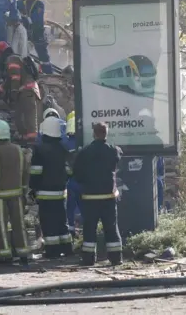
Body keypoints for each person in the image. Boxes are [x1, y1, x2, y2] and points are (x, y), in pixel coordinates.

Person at [73, 122, 123, 266]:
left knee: (89, 228)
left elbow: (77, 173)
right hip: (109, 197)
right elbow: (119, 155)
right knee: (111, 228)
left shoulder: (85, 152)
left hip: (90, 198)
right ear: (106, 133)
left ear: (94, 134)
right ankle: (116, 258)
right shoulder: (113, 150)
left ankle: (88, 259)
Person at [0, 120, 31, 265]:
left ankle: (5, 255)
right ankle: (23, 254)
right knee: (19, 224)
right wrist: (24, 190)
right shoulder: (19, 150)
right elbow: (26, 172)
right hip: (17, 195)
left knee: (1, 225)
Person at [30, 116, 73, 258]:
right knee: (62, 221)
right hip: (61, 192)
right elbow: (69, 171)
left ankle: (52, 251)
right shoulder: (62, 148)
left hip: (44, 192)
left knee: (48, 222)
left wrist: (32, 188)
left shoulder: (39, 149)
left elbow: (36, 172)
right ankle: (67, 248)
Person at [0, 41, 42, 143]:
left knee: (29, 119)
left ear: (1, 53)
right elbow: (9, 80)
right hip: (25, 91)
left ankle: (32, 142)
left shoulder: (12, 59)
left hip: (27, 91)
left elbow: (15, 77)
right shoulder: (15, 59)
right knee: (19, 117)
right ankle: (25, 139)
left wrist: (13, 93)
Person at [17, 0, 52, 74]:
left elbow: (37, 19)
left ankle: (48, 73)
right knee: (21, 52)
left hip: (37, 32)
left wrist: (25, 16)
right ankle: (24, 72)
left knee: (43, 55)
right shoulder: (20, 3)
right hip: (24, 31)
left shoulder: (39, 5)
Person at [63, 111, 82, 238]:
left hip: (71, 181)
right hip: (83, 181)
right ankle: (84, 230)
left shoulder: (65, 143)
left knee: (70, 206)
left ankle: (71, 230)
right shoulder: (84, 142)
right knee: (83, 206)